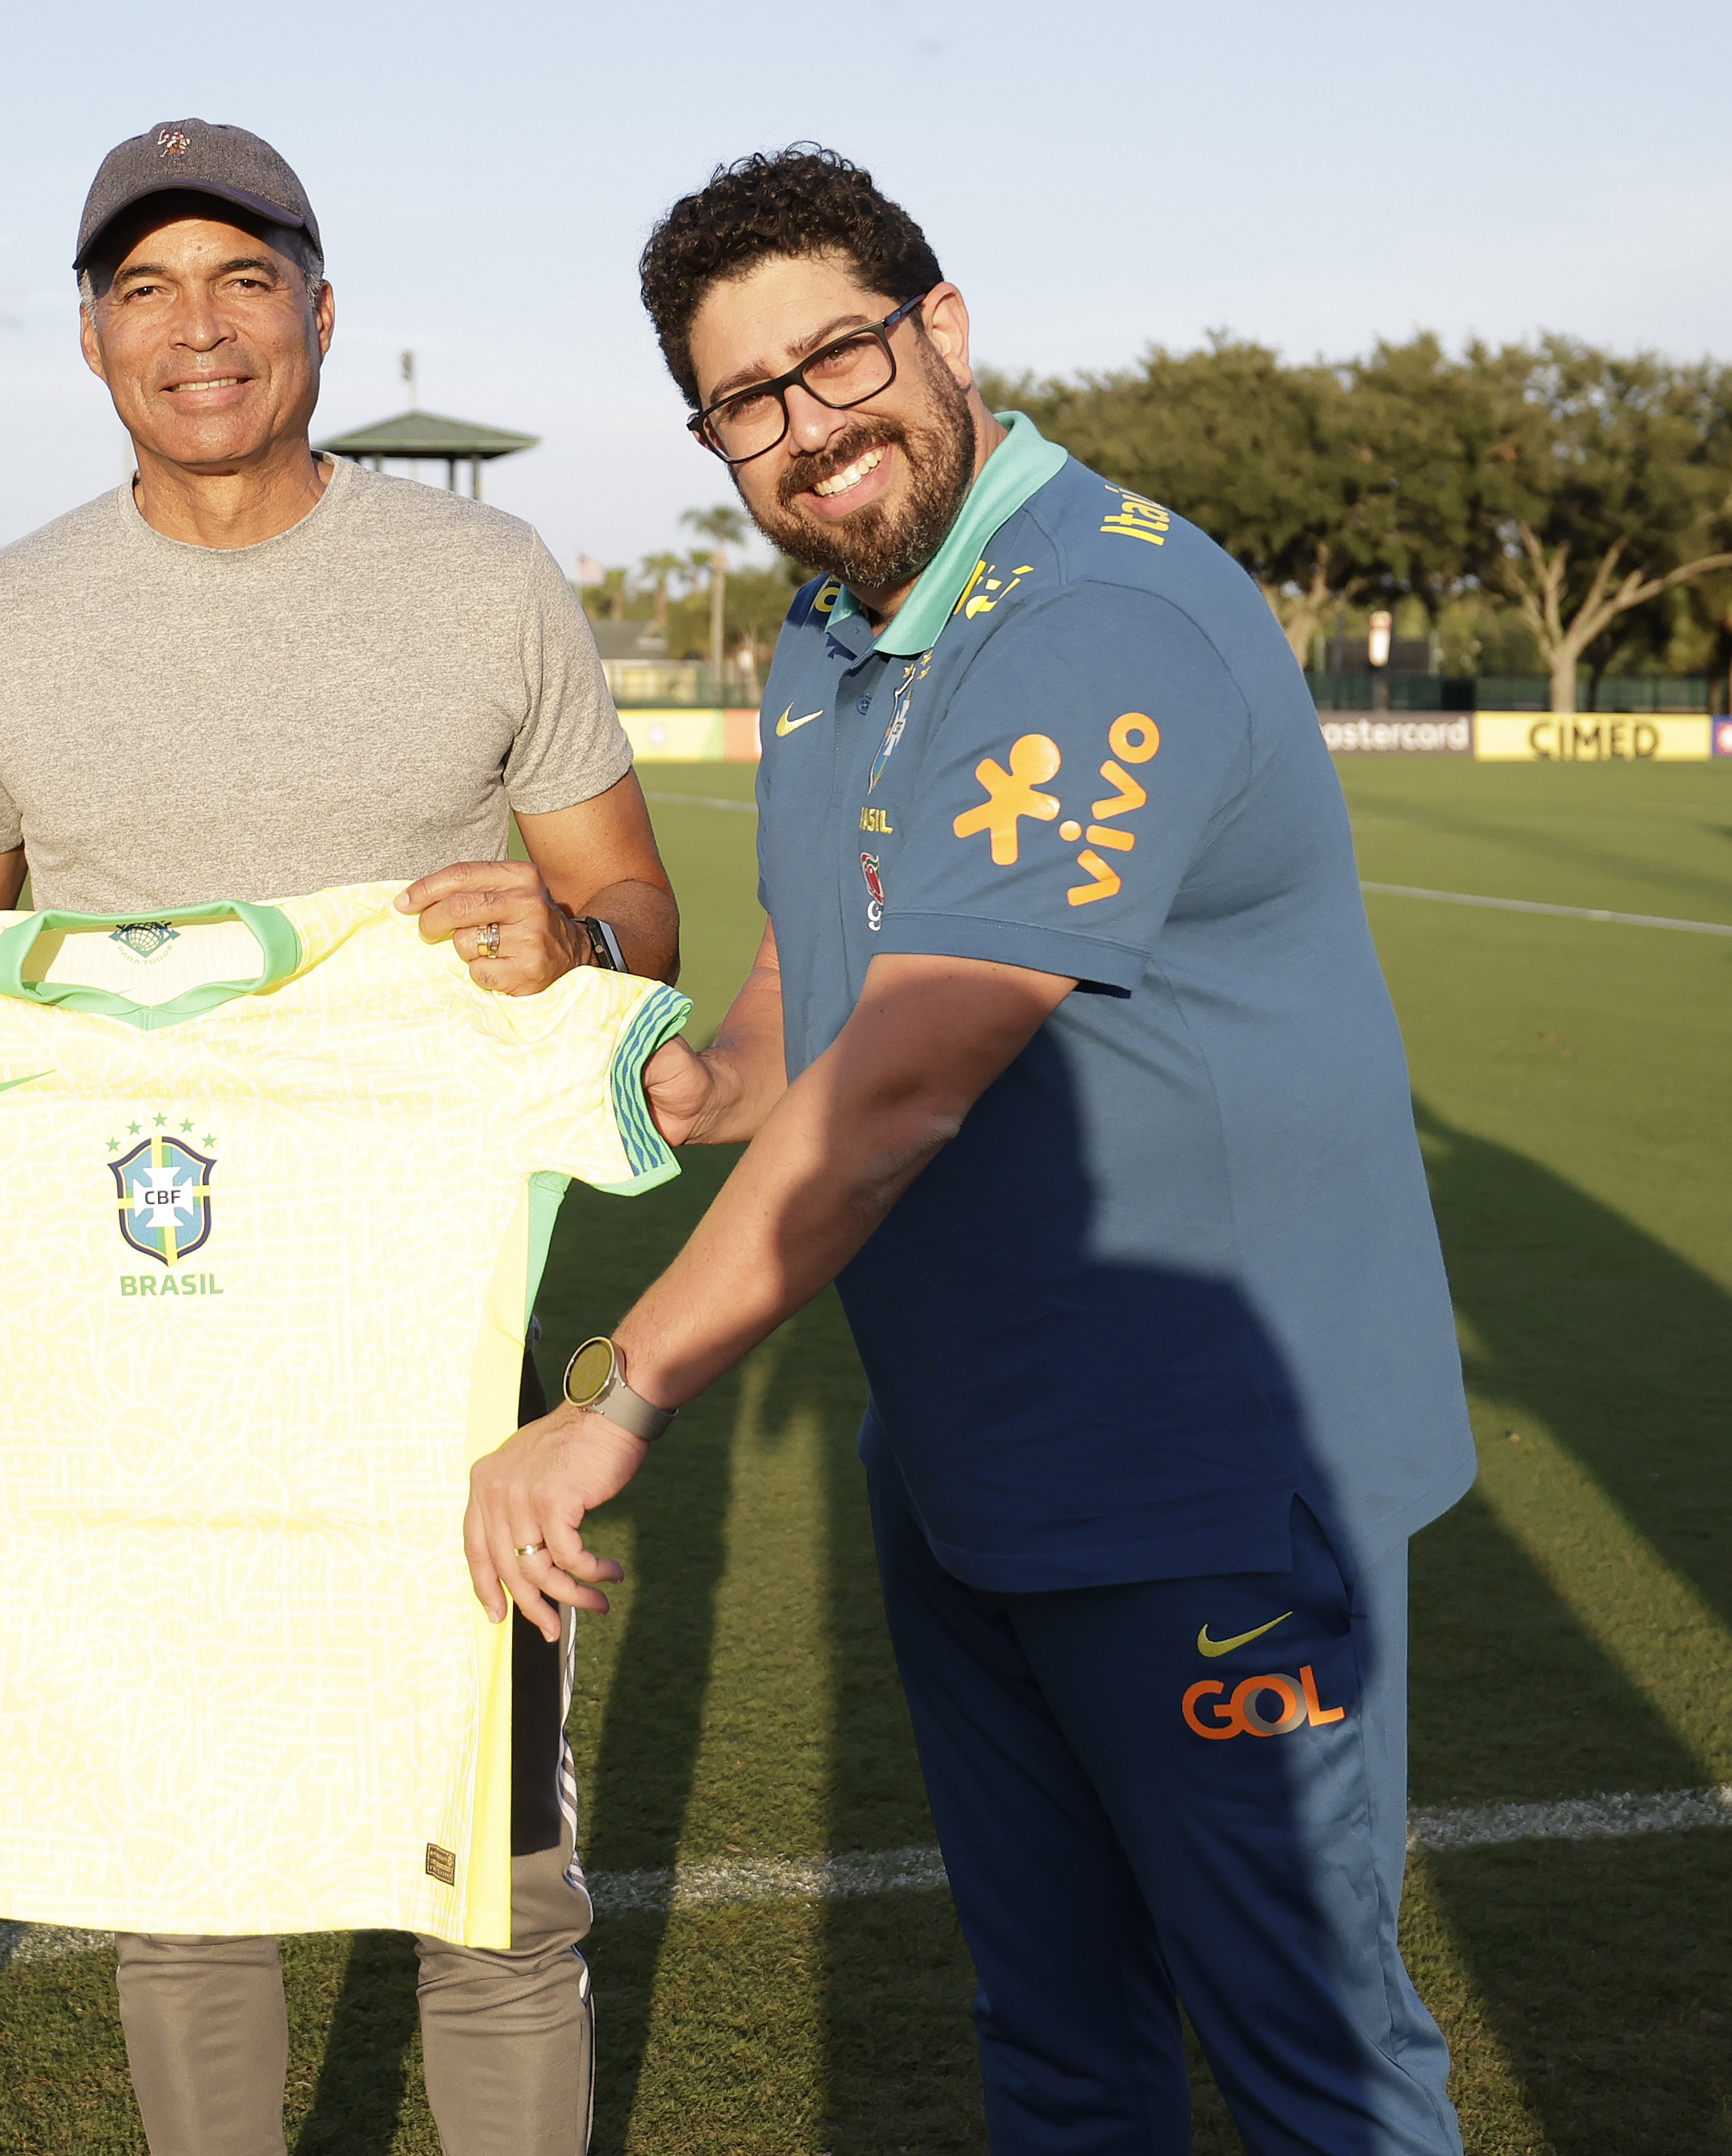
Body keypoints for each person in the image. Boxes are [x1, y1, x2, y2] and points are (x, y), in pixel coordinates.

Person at [468, 145, 1472, 2154]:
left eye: (834, 357)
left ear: (937, 327)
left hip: (1197, 1484)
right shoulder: (832, 629)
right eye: (743, 403)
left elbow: (904, 1087)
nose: (804, 431)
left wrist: (610, 1395)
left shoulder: (1094, 615)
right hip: (964, 1470)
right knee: (1057, 2049)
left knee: (1308, 2076)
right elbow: (805, 1008)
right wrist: (650, 1068)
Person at [0, 118, 678, 2156]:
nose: (198, 329)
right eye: (144, 288)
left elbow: (639, 917)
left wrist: (567, 935)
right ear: (87, 341)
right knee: (176, 1887)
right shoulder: (2, 618)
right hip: (117, 1338)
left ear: (316, 312)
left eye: (242, 279)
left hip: (415, 1341)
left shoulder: (483, 576)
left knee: (495, 1884)